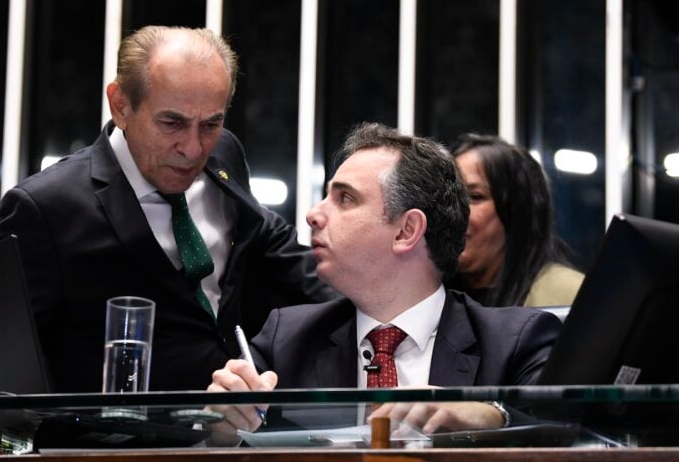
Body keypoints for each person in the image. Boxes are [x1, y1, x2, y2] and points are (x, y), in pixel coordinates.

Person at [0, 25, 333, 395]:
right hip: (115, 450)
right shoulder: (47, 206)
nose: (193, 148)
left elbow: (275, 248)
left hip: (231, 427)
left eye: (210, 124)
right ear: (120, 105)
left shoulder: (225, 152)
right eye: (172, 123)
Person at [208, 123, 562, 435]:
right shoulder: (286, 339)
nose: (313, 214)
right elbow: (238, 448)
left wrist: (491, 414)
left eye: (345, 198)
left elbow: (566, 432)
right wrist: (222, 430)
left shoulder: (516, 341)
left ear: (407, 231)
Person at [447, 134, 584, 308]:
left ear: (517, 211)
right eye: (449, 196)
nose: (453, 211)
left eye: (475, 196)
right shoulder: (424, 298)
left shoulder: (570, 296)